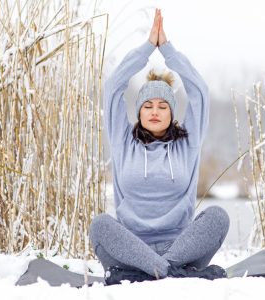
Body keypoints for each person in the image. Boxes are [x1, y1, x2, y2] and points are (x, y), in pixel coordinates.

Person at [89, 8, 230, 285]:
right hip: (131, 250)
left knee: (218, 217)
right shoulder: (123, 142)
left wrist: (167, 49)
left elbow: (199, 91)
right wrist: (146, 49)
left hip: (181, 248)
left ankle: (158, 270)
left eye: (163, 106)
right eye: (148, 105)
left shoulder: (186, 145)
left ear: (171, 113)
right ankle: (165, 272)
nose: (155, 111)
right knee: (99, 225)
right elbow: (113, 88)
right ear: (139, 112)